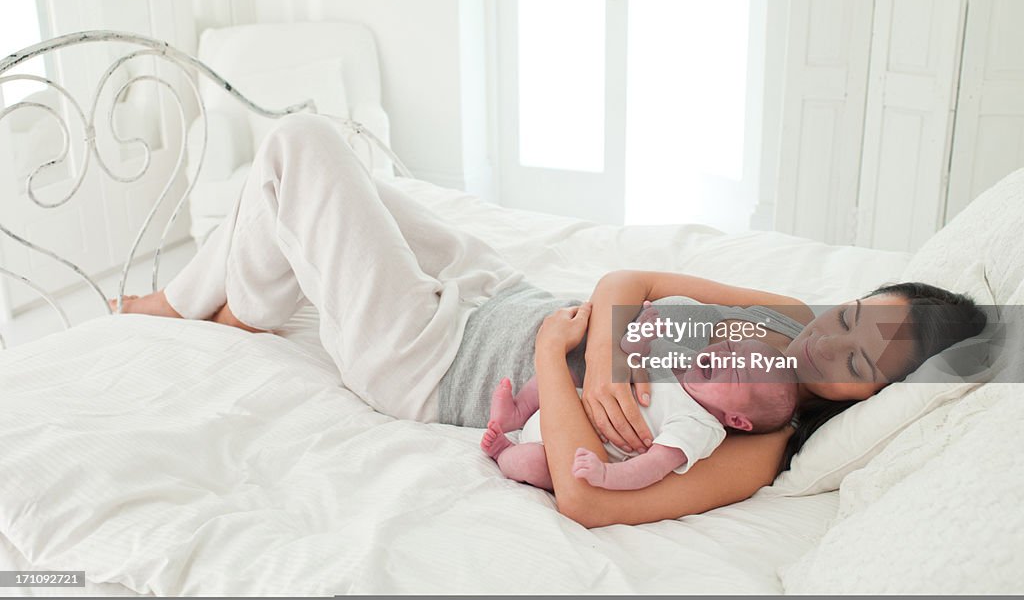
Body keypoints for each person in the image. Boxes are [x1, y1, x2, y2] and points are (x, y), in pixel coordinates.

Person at [113, 114, 986, 527]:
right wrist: (601, 354)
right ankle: (247, 302)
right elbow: (631, 277)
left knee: (301, 148)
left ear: (867, 395)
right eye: (858, 314)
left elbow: (581, 495)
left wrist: (547, 351)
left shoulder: (759, 444)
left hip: (430, 359)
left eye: (864, 358)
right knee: (339, 179)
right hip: (497, 286)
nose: (835, 337)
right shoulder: (787, 318)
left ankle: (195, 303)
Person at [480, 337, 799, 492]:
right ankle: (517, 412)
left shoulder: (698, 426)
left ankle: (505, 452)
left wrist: (606, 475)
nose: (724, 359)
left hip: (558, 449)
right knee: (567, 370)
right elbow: (626, 361)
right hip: (569, 402)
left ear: (737, 420)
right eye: (729, 348)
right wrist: (641, 339)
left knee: (530, 463)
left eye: (737, 373)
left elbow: (653, 466)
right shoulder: (680, 369)